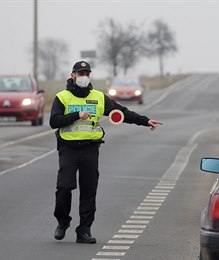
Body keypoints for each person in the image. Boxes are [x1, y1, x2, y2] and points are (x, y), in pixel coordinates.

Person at [50, 61, 163, 244]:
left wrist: (145, 121)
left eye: (87, 73)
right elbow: (54, 121)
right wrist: (76, 115)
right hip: (68, 149)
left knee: (89, 190)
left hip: (90, 148)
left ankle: (84, 231)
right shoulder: (62, 97)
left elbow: (122, 113)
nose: (83, 77)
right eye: (80, 73)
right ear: (73, 75)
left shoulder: (99, 97)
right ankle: (62, 222)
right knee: (64, 187)